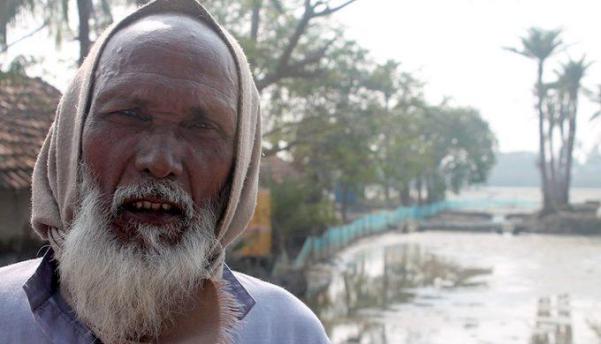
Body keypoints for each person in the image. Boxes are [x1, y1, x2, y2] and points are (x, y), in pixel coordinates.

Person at [0, 0, 330, 343]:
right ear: (72, 138)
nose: (159, 162)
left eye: (202, 126)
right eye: (128, 115)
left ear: (239, 168)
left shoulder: (289, 332)